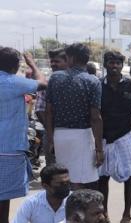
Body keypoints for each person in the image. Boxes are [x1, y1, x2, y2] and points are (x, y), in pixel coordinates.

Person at [0, 48, 47, 223]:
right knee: (3, 195)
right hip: (8, 147)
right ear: (15, 65)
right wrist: (32, 64)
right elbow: (43, 83)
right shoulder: (13, 82)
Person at [45, 43, 103, 189]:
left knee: (64, 178)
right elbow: (95, 118)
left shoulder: (55, 78)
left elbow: (49, 112)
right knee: (81, 180)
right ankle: (76, 210)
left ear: (70, 58)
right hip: (82, 136)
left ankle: (65, 208)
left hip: (60, 135)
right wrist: (99, 149)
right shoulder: (92, 81)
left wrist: (51, 139)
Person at [98, 51, 131, 223]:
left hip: (124, 136)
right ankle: (104, 214)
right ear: (105, 64)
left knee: (128, 176)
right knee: (102, 177)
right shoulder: (98, 85)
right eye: (110, 62)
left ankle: (126, 215)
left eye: (117, 63)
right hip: (102, 136)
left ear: (122, 65)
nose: (114, 66)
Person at [35, 48, 68, 166]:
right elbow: (39, 110)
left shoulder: (78, 81)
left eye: (57, 61)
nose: (53, 64)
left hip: (75, 134)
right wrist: (52, 132)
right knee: (54, 174)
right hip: (51, 135)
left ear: (68, 61)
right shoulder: (47, 83)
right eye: (52, 61)